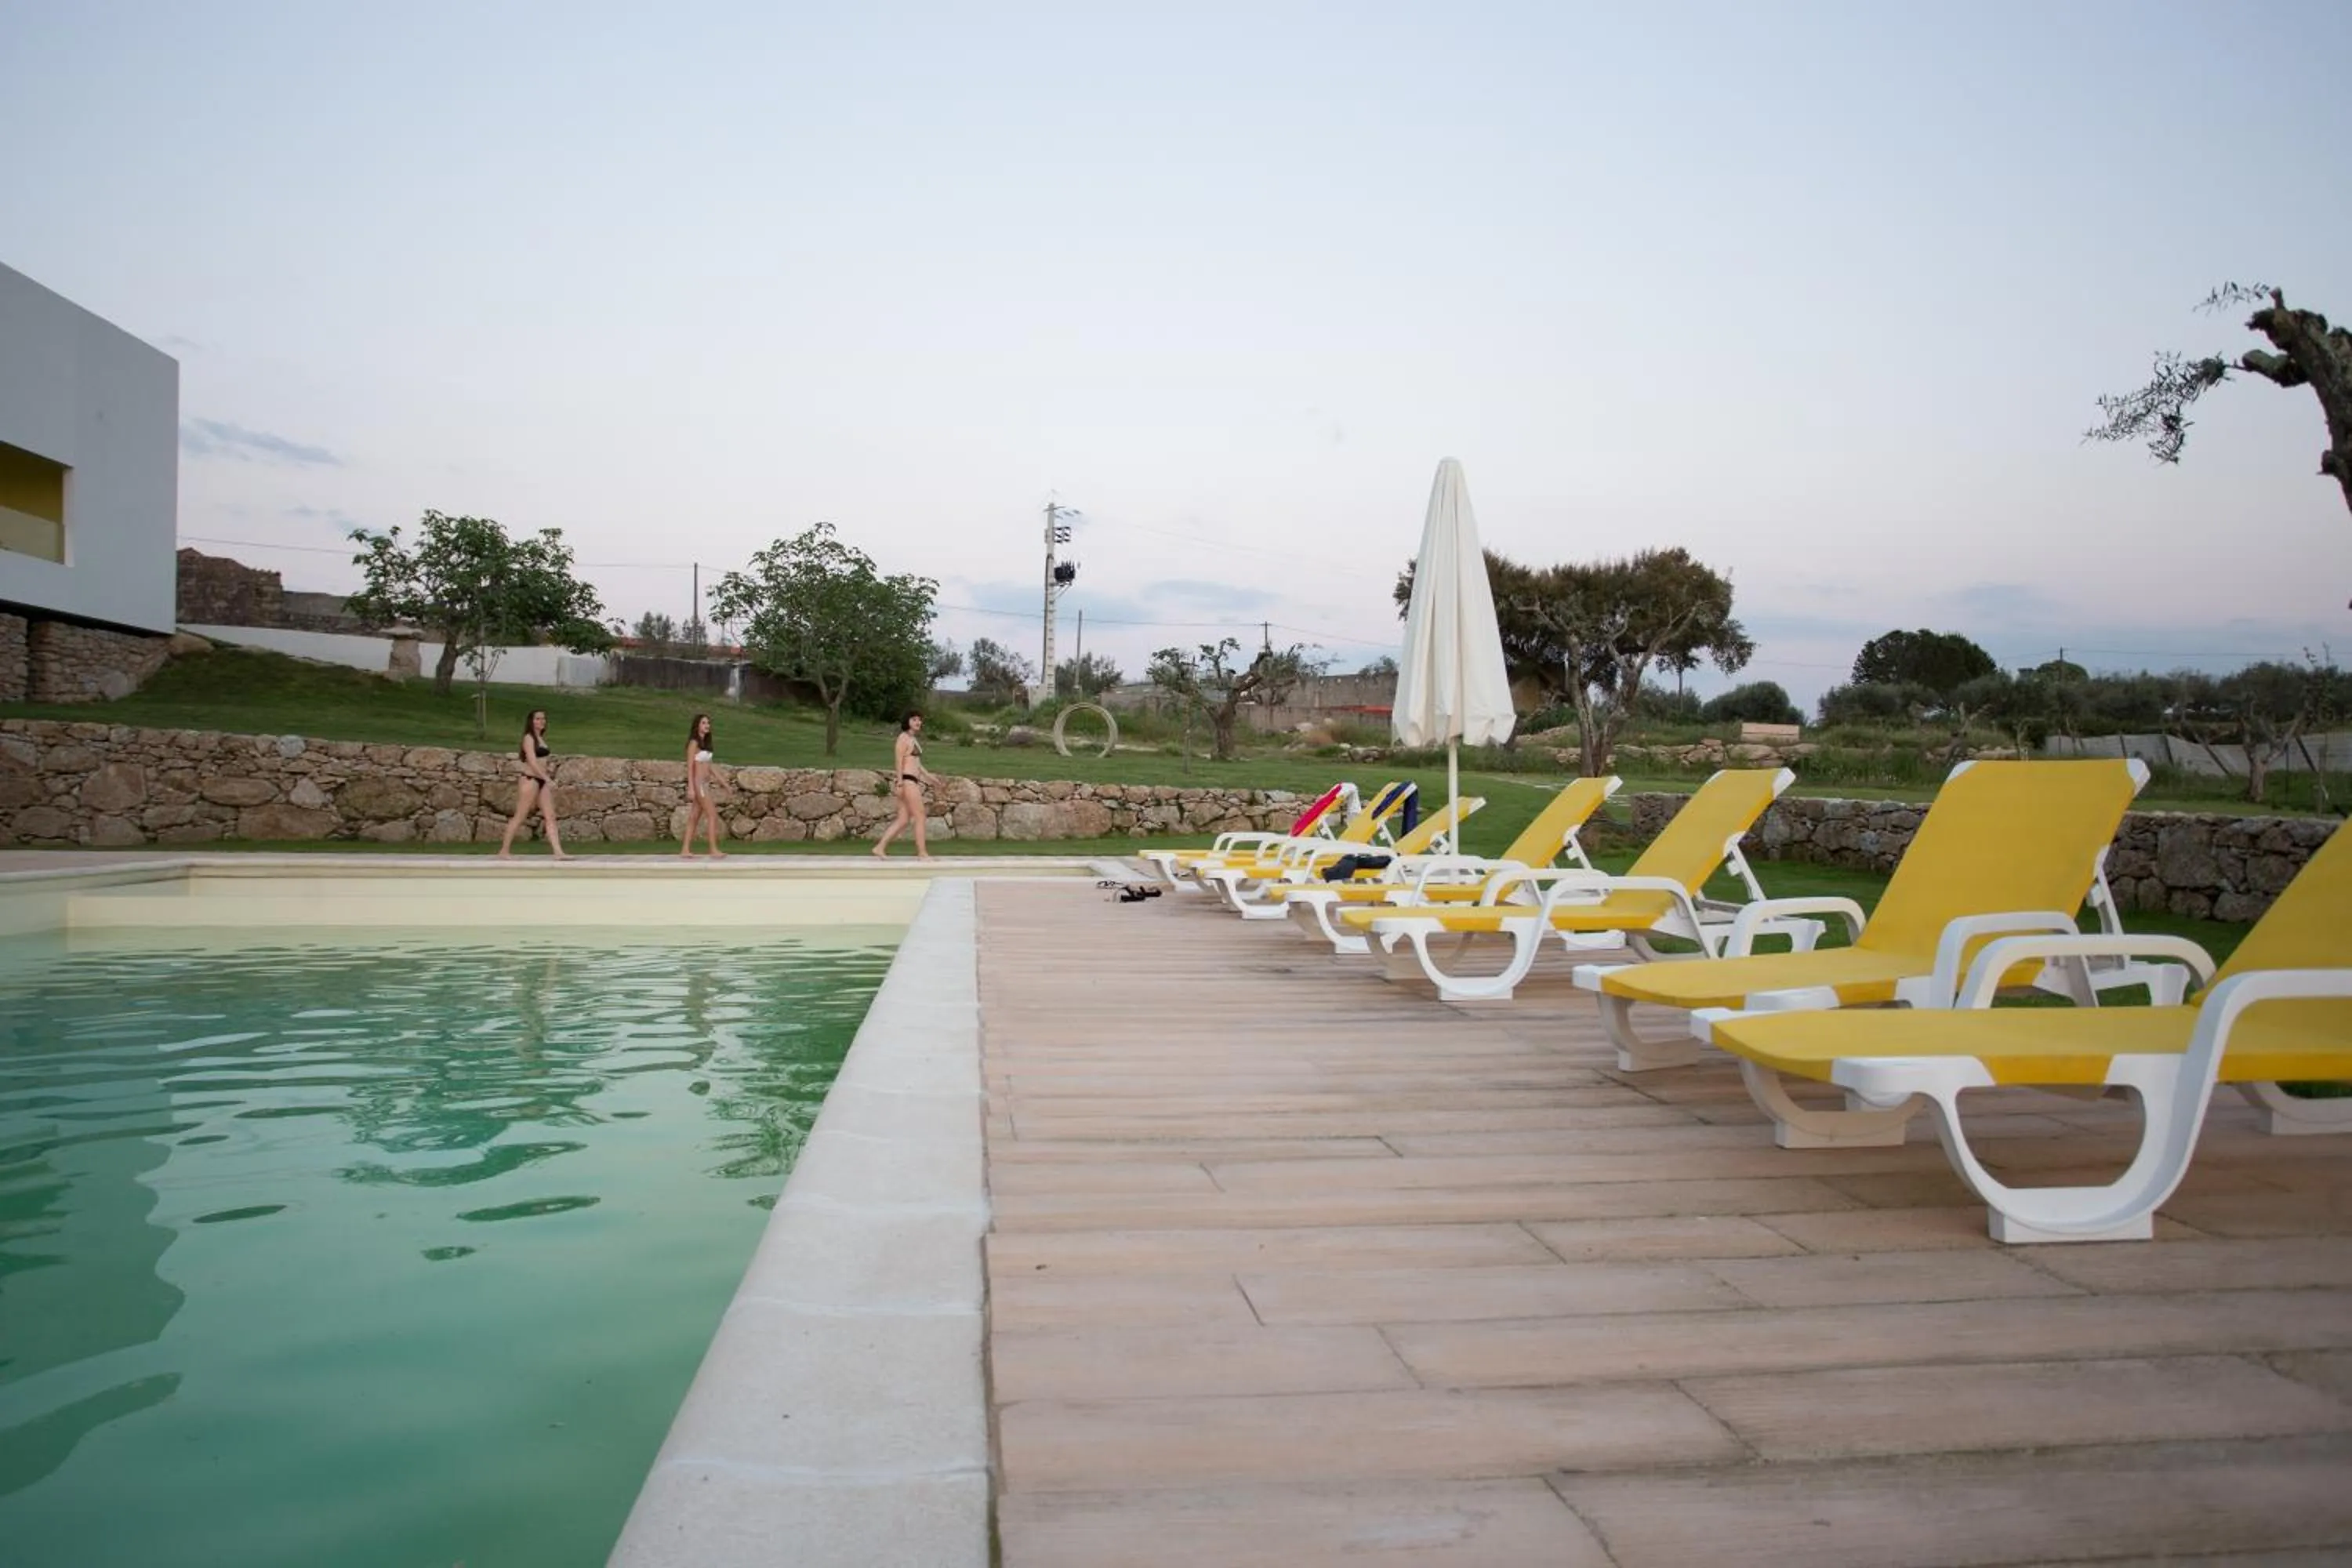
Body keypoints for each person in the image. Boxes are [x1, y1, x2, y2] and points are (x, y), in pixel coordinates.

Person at [496, 709, 569, 859]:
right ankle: (504, 851)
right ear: (531, 721)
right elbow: (532, 761)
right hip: (530, 780)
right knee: (521, 815)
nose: (542, 721)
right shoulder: (529, 738)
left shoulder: (540, 738)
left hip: (541, 780)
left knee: (550, 815)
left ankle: (558, 852)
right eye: (538, 719)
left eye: (543, 719)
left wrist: (546, 776)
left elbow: (542, 761)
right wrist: (547, 778)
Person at [872, 710, 936, 860]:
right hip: (907, 781)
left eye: (919, 720)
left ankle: (880, 847)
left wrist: (929, 777)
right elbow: (898, 761)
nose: (918, 722)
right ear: (907, 722)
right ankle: (922, 853)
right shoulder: (903, 738)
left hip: (911, 781)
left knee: (903, 819)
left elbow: (917, 764)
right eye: (914, 720)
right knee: (920, 816)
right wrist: (900, 782)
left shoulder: (913, 739)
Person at [680, 712, 725, 859]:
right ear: (697, 726)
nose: (707, 725)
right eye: (704, 723)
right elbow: (690, 766)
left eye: (708, 723)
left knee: (694, 817)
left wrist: (724, 783)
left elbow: (710, 767)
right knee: (712, 814)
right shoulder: (694, 743)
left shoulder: (705, 744)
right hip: (698, 784)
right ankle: (713, 849)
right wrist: (691, 788)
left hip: (704, 784)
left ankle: (685, 850)